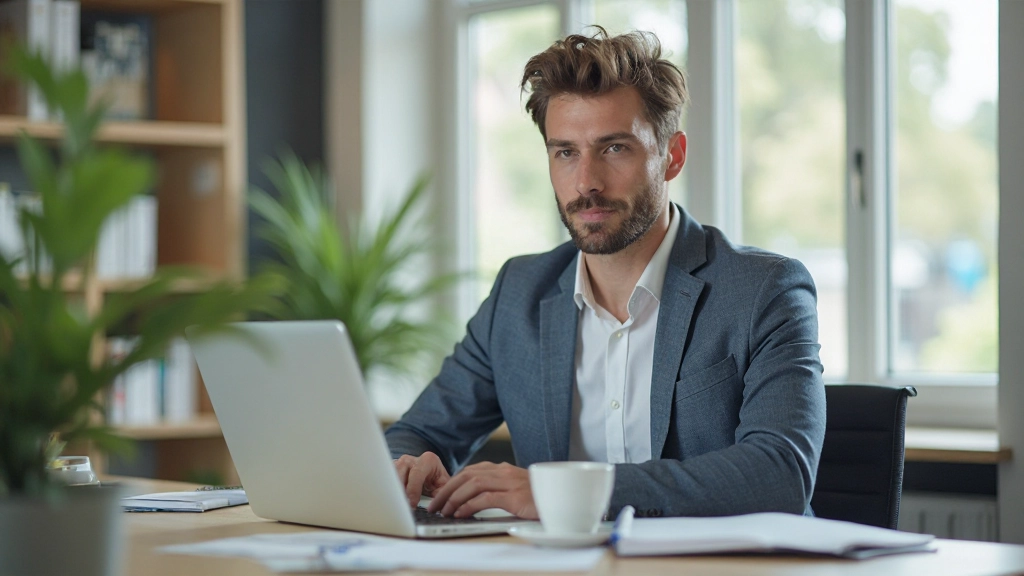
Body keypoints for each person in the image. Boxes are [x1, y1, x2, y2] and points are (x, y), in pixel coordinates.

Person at [386, 27, 825, 521]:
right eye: (565, 152)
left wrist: (562, 493)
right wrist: (409, 466)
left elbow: (779, 474)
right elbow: (416, 435)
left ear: (672, 156)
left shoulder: (764, 290)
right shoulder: (519, 293)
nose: (586, 182)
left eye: (614, 148)